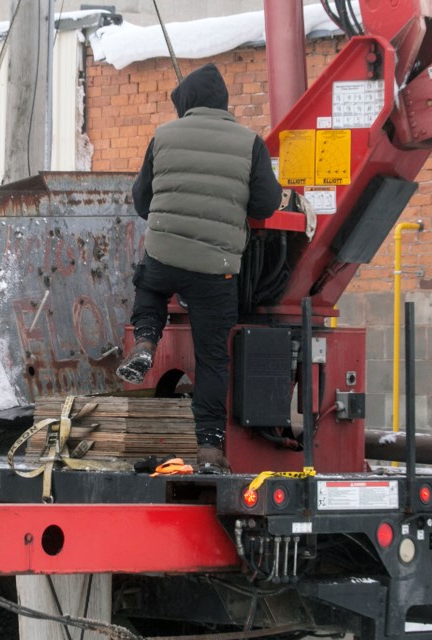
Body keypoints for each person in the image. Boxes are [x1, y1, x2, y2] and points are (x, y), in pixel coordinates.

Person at [116, 63, 283, 474]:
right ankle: (209, 449)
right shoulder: (250, 143)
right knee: (212, 358)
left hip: (165, 253)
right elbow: (266, 204)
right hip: (216, 268)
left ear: (187, 103)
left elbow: (141, 201)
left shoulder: (163, 136)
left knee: (151, 288)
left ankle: (145, 342)